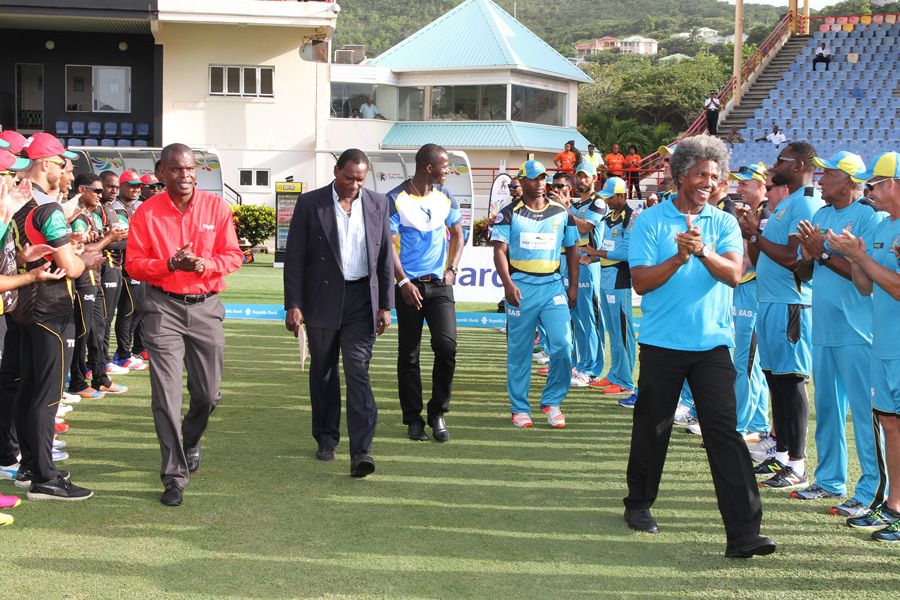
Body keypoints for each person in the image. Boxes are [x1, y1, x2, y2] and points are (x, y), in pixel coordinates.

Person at [624, 135, 775, 558]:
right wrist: (677, 258)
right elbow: (640, 281)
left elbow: (733, 274)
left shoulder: (724, 223)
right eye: (700, 175)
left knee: (724, 433)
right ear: (679, 177)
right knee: (652, 428)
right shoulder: (651, 222)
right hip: (661, 343)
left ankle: (744, 533)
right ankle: (638, 503)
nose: (709, 182)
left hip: (712, 346)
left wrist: (702, 249)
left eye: (714, 176)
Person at [126, 143, 243, 506]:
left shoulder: (215, 207)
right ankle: (174, 475)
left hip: (206, 307)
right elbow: (134, 265)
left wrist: (205, 265)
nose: (187, 175)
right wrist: (170, 265)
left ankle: (190, 439)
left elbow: (234, 255)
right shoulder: (146, 213)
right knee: (166, 396)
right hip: (162, 309)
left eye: (191, 169)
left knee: (208, 395)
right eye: (178, 169)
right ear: (162, 173)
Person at [284, 148, 393, 477]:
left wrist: (385, 305)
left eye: (360, 179)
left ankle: (362, 450)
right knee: (324, 371)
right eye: (348, 178)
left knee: (358, 371)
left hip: (362, 299)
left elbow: (385, 255)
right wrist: (294, 304)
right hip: (322, 298)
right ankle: (327, 437)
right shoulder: (310, 203)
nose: (354, 185)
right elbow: (295, 258)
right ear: (335, 171)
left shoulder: (378, 203)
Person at [791, 151, 885, 518]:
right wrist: (810, 257)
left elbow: (867, 275)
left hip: (857, 329)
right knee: (828, 408)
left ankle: (871, 489)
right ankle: (829, 479)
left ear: (848, 181)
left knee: (865, 413)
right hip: (825, 327)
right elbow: (807, 272)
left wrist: (824, 254)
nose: (821, 179)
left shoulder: (867, 216)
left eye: (828, 174)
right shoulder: (821, 215)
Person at [12, 133, 100, 501]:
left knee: (30, 388)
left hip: (27, 306)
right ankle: (44, 477)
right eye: (63, 163)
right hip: (49, 307)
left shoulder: (18, 204)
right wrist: (86, 258)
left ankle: (31, 466)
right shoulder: (46, 207)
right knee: (46, 395)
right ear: (45, 164)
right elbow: (70, 266)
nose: (67, 170)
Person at [736, 141, 824, 492]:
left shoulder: (804, 202)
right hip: (771, 302)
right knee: (775, 378)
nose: (775, 165)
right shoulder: (786, 205)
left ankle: (798, 463)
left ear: (800, 164)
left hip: (792, 304)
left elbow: (791, 258)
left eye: (781, 160)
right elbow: (762, 262)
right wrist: (752, 235)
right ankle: (783, 450)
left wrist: (756, 234)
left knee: (791, 382)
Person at [827, 151, 900, 542]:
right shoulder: (884, 228)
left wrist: (859, 257)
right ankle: (893, 507)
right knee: (889, 424)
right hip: (883, 345)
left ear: (892, 185)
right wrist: (854, 256)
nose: (869, 190)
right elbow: (866, 286)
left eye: (874, 184)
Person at [491, 160, 578, 428]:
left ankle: (552, 402)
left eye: (543, 177)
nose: (540, 182)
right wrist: (507, 284)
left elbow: (573, 249)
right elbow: (499, 251)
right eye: (534, 178)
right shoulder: (508, 213)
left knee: (563, 345)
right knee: (520, 350)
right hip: (521, 287)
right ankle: (519, 408)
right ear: (522, 182)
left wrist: (572, 285)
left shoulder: (562, 212)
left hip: (552, 286)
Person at [387, 144, 463, 442]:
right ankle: (413, 418)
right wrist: (403, 282)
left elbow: (458, 234)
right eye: (445, 165)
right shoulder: (395, 198)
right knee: (409, 354)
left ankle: (437, 413)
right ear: (428, 167)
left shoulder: (445, 196)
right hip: (408, 288)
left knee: (447, 348)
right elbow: (389, 245)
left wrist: (452, 268)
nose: (448, 170)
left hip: (439, 286)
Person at [66, 173, 128, 400]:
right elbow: (86, 252)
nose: (101, 195)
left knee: (99, 330)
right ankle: (77, 382)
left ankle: (100, 378)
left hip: (95, 278)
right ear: (82, 191)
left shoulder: (92, 214)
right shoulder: (78, 216)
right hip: (83, 280)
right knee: (83, 332)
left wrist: (105, 237)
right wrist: (108, 239)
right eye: (97, 190)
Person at [580, 177, 637, 401]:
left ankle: (625, 381)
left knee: (623, 332)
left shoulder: (630, 218)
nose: (608, 200)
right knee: (612, 329)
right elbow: (607, 248)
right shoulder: (610, 217)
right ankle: (615, 375)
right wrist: (592, 259)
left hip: (619, 279)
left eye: (612, 197)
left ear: (623, 195)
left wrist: (596, 253)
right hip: (605, 275)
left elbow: (625, 253)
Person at [728, 164, 772, 447]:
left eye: (745, 183)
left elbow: (758, 259)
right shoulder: (751, 214)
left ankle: (744, 425)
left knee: (747, 361)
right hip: (745, 288)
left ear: (761, 185)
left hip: (754, 290)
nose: (739, 188)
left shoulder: (765, 216)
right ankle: (755, 423)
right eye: (738, 183)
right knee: (748, 361)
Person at [564, 162, 607, 385]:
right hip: (574, 264)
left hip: (590, 266)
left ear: (594, 178)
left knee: (590, 318)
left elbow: (584, 228)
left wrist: (565, 209)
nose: (581, 181)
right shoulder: (574, 204)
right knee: (577, 318)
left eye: (585, 177)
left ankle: (592, 369)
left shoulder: (598, 202)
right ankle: (580, 365)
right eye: (578, 176)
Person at [112, 170, 148, 371]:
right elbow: (119, 239)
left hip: (138, 264)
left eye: (138, 186)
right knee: (127, 310)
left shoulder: (138, 207)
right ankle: (122, 354)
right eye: (131, 185)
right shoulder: (114, 208)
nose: (135, 190)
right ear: (122, 185)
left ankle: (128, 351)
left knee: (139, 308)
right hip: (123, 266)